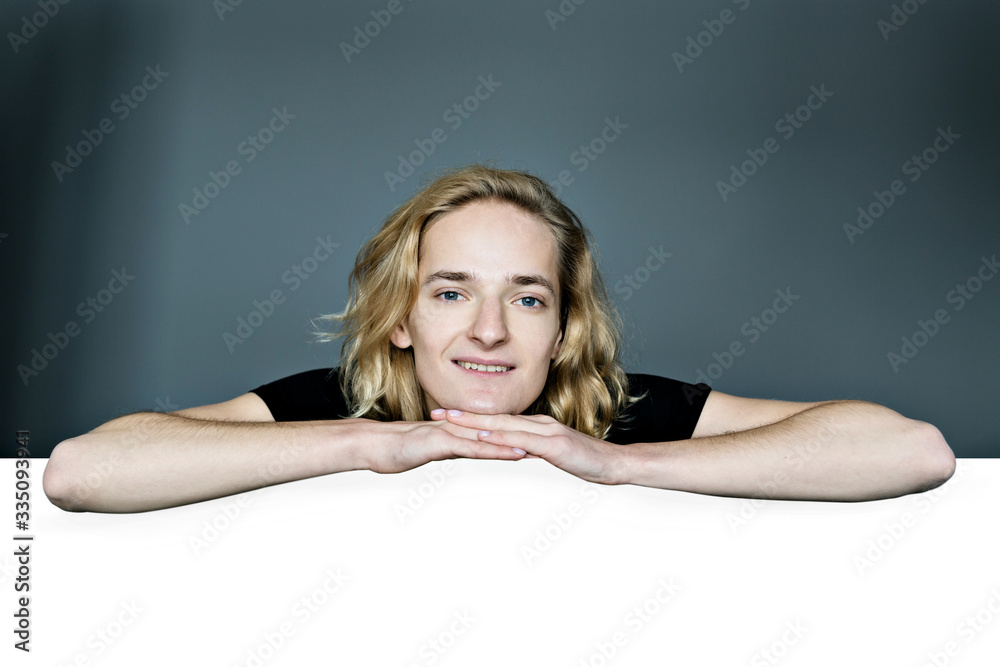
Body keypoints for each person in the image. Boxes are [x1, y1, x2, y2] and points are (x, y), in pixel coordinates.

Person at [42, 165, 956, 513]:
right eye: (450, 292)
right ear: (400, 317)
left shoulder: (621, 413)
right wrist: (378, 444)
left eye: (526, 299)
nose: (487, 330)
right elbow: (84, 471)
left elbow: (911, 450)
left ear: (563, 331)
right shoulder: (345, 404)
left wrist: (620, 465)